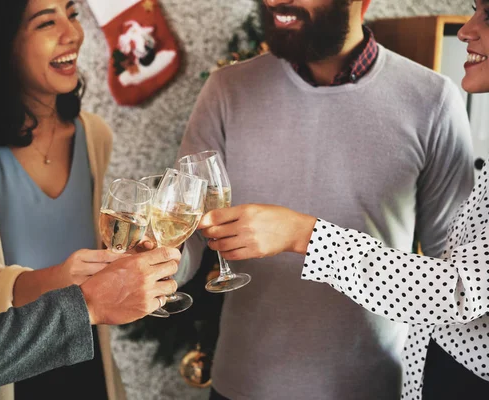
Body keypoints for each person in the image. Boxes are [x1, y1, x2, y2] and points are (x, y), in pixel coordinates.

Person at [176, 0, 475, 399]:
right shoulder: (226, 89)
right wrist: (156, 263)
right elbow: (188, 230)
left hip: (374, 387)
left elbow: (450, 276)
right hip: (242, 384)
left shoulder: (433, 101)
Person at [0, 0, 179, 399]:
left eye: (73, 15)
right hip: (6, 369)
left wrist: (125, 266)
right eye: (47, 22)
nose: (72, 33)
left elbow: (102, 253)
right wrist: (74, 287)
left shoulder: (93, 134)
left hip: (86, 356)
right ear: (1, 42)